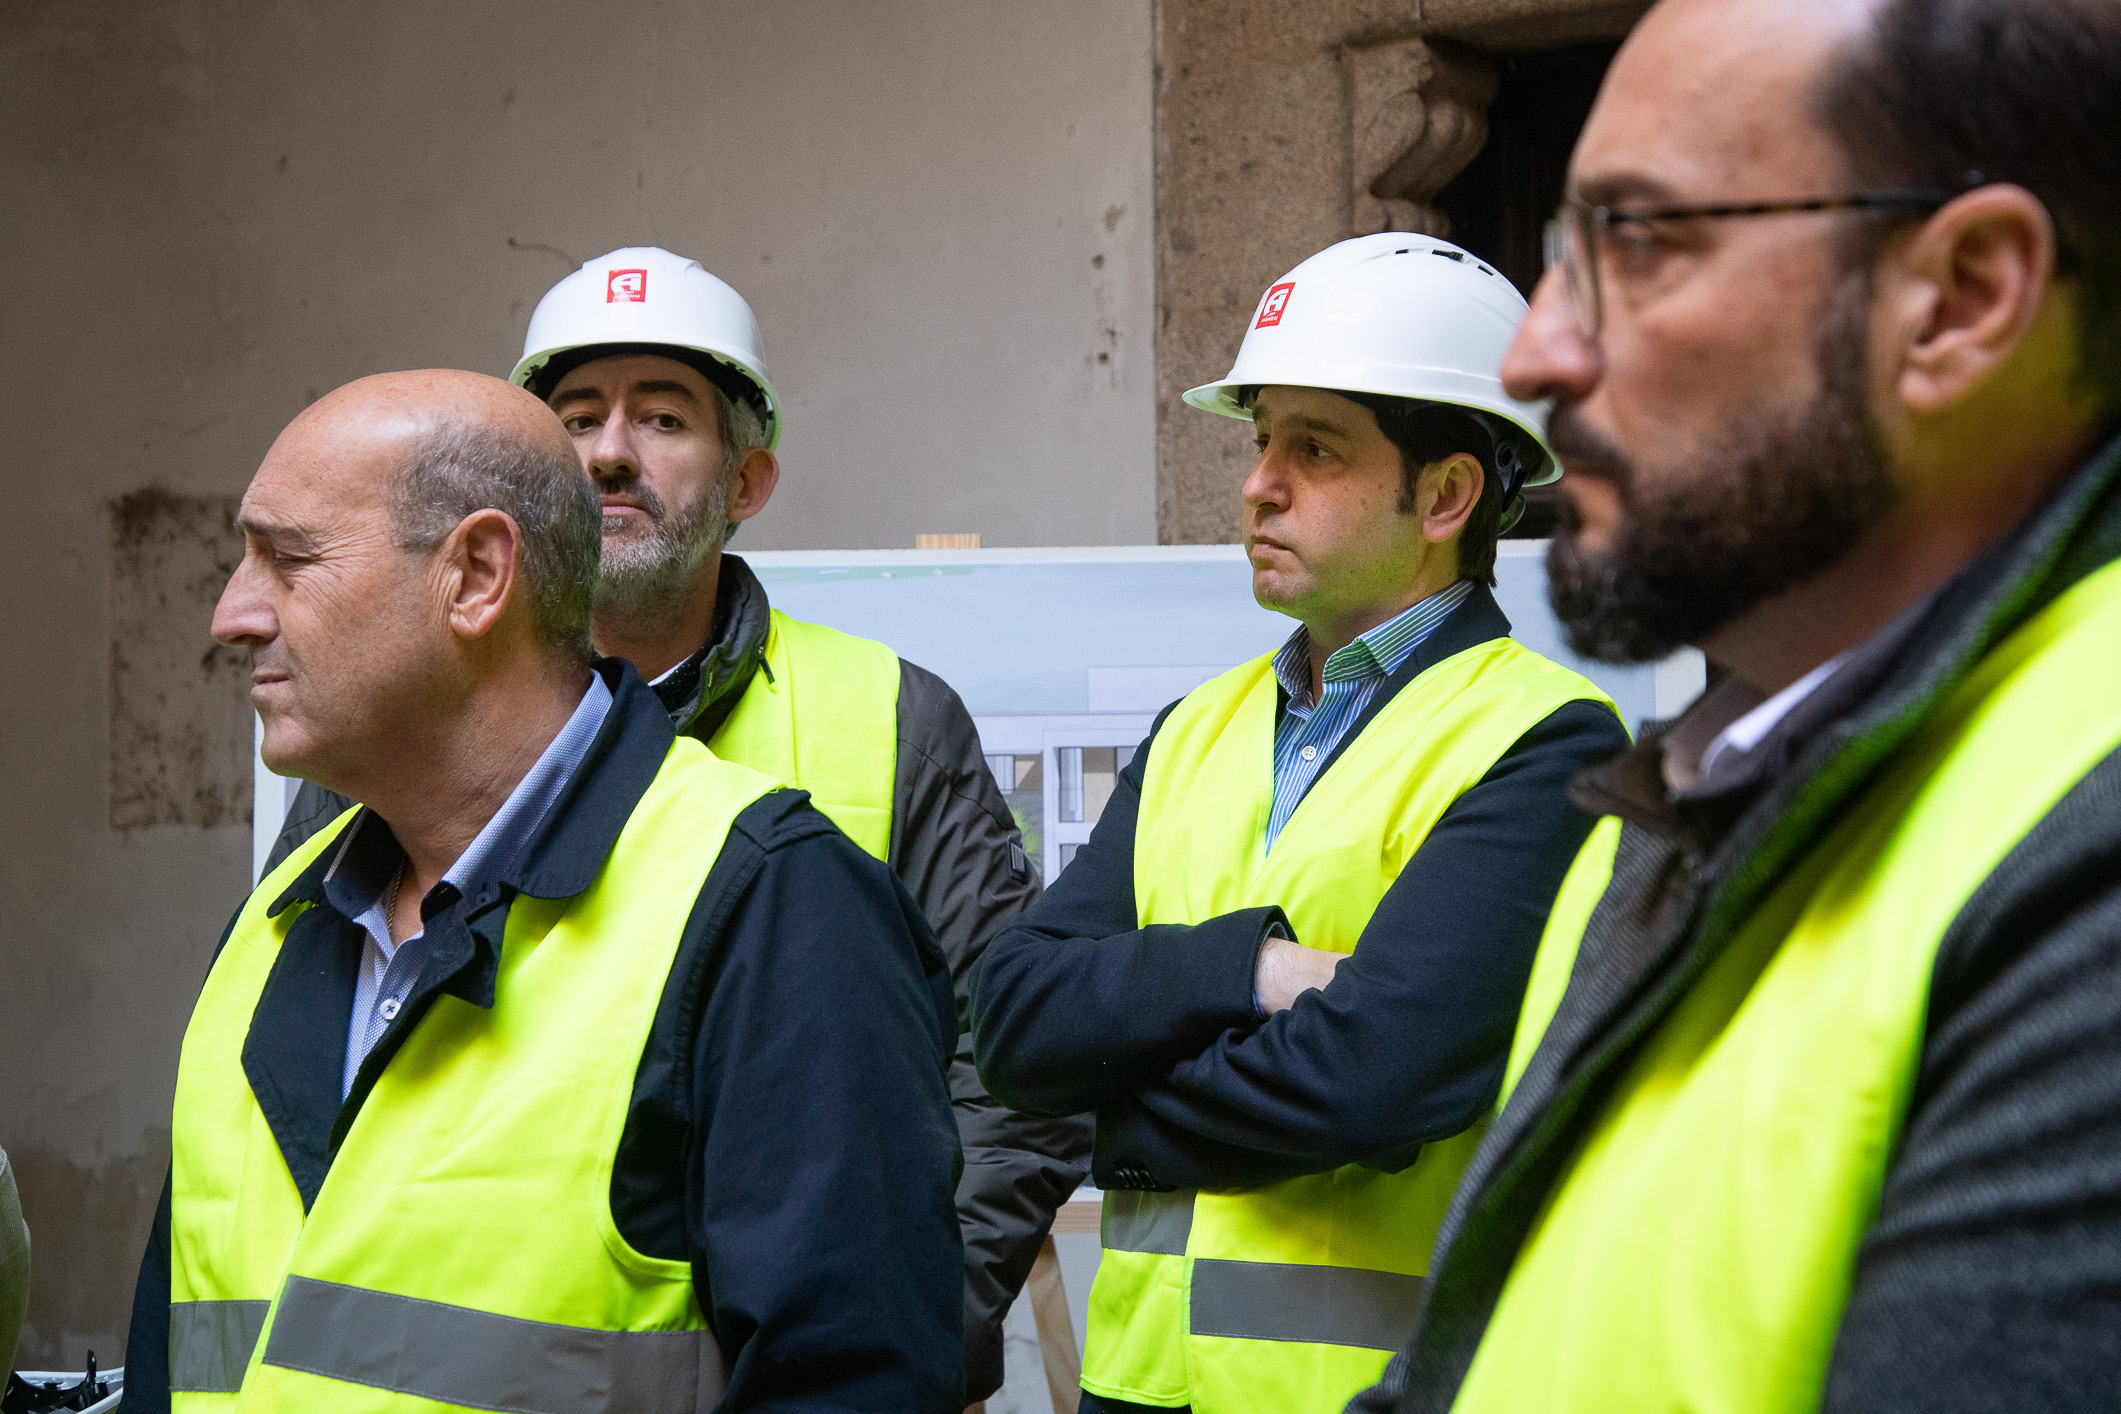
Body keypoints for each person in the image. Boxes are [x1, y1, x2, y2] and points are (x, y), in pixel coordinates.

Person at [1353, 0, 2121, 1410]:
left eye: (1636, 241)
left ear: (1961, 297)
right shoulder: (1674, 798)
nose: (1533, 359)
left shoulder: (2090, 840)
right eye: (1555, 256)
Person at [264, 249, 1088, 1407]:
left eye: (662, 417)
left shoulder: (890, 718)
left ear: (748, 480)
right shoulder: (393, 719)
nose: (609, 452)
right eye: (578, 418)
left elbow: (1018, 1064)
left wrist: (912, 1311)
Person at [122, 371, 963, 1412]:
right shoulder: (279, 914)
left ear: (477, 575)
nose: (231, 615)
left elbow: (853, 1385)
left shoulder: (773, 906)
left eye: (288, 560)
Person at [970, 235, 1629, 1414]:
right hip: (1133, 1393)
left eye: (1313, 447)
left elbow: (1375, 1077)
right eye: (1260, 436)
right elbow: (1015, 1015)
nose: (1258, 480)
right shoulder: (1195, 728)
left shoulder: (1547, 743)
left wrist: (1109, 1108)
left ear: (1445, 493)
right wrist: (1255, 965)